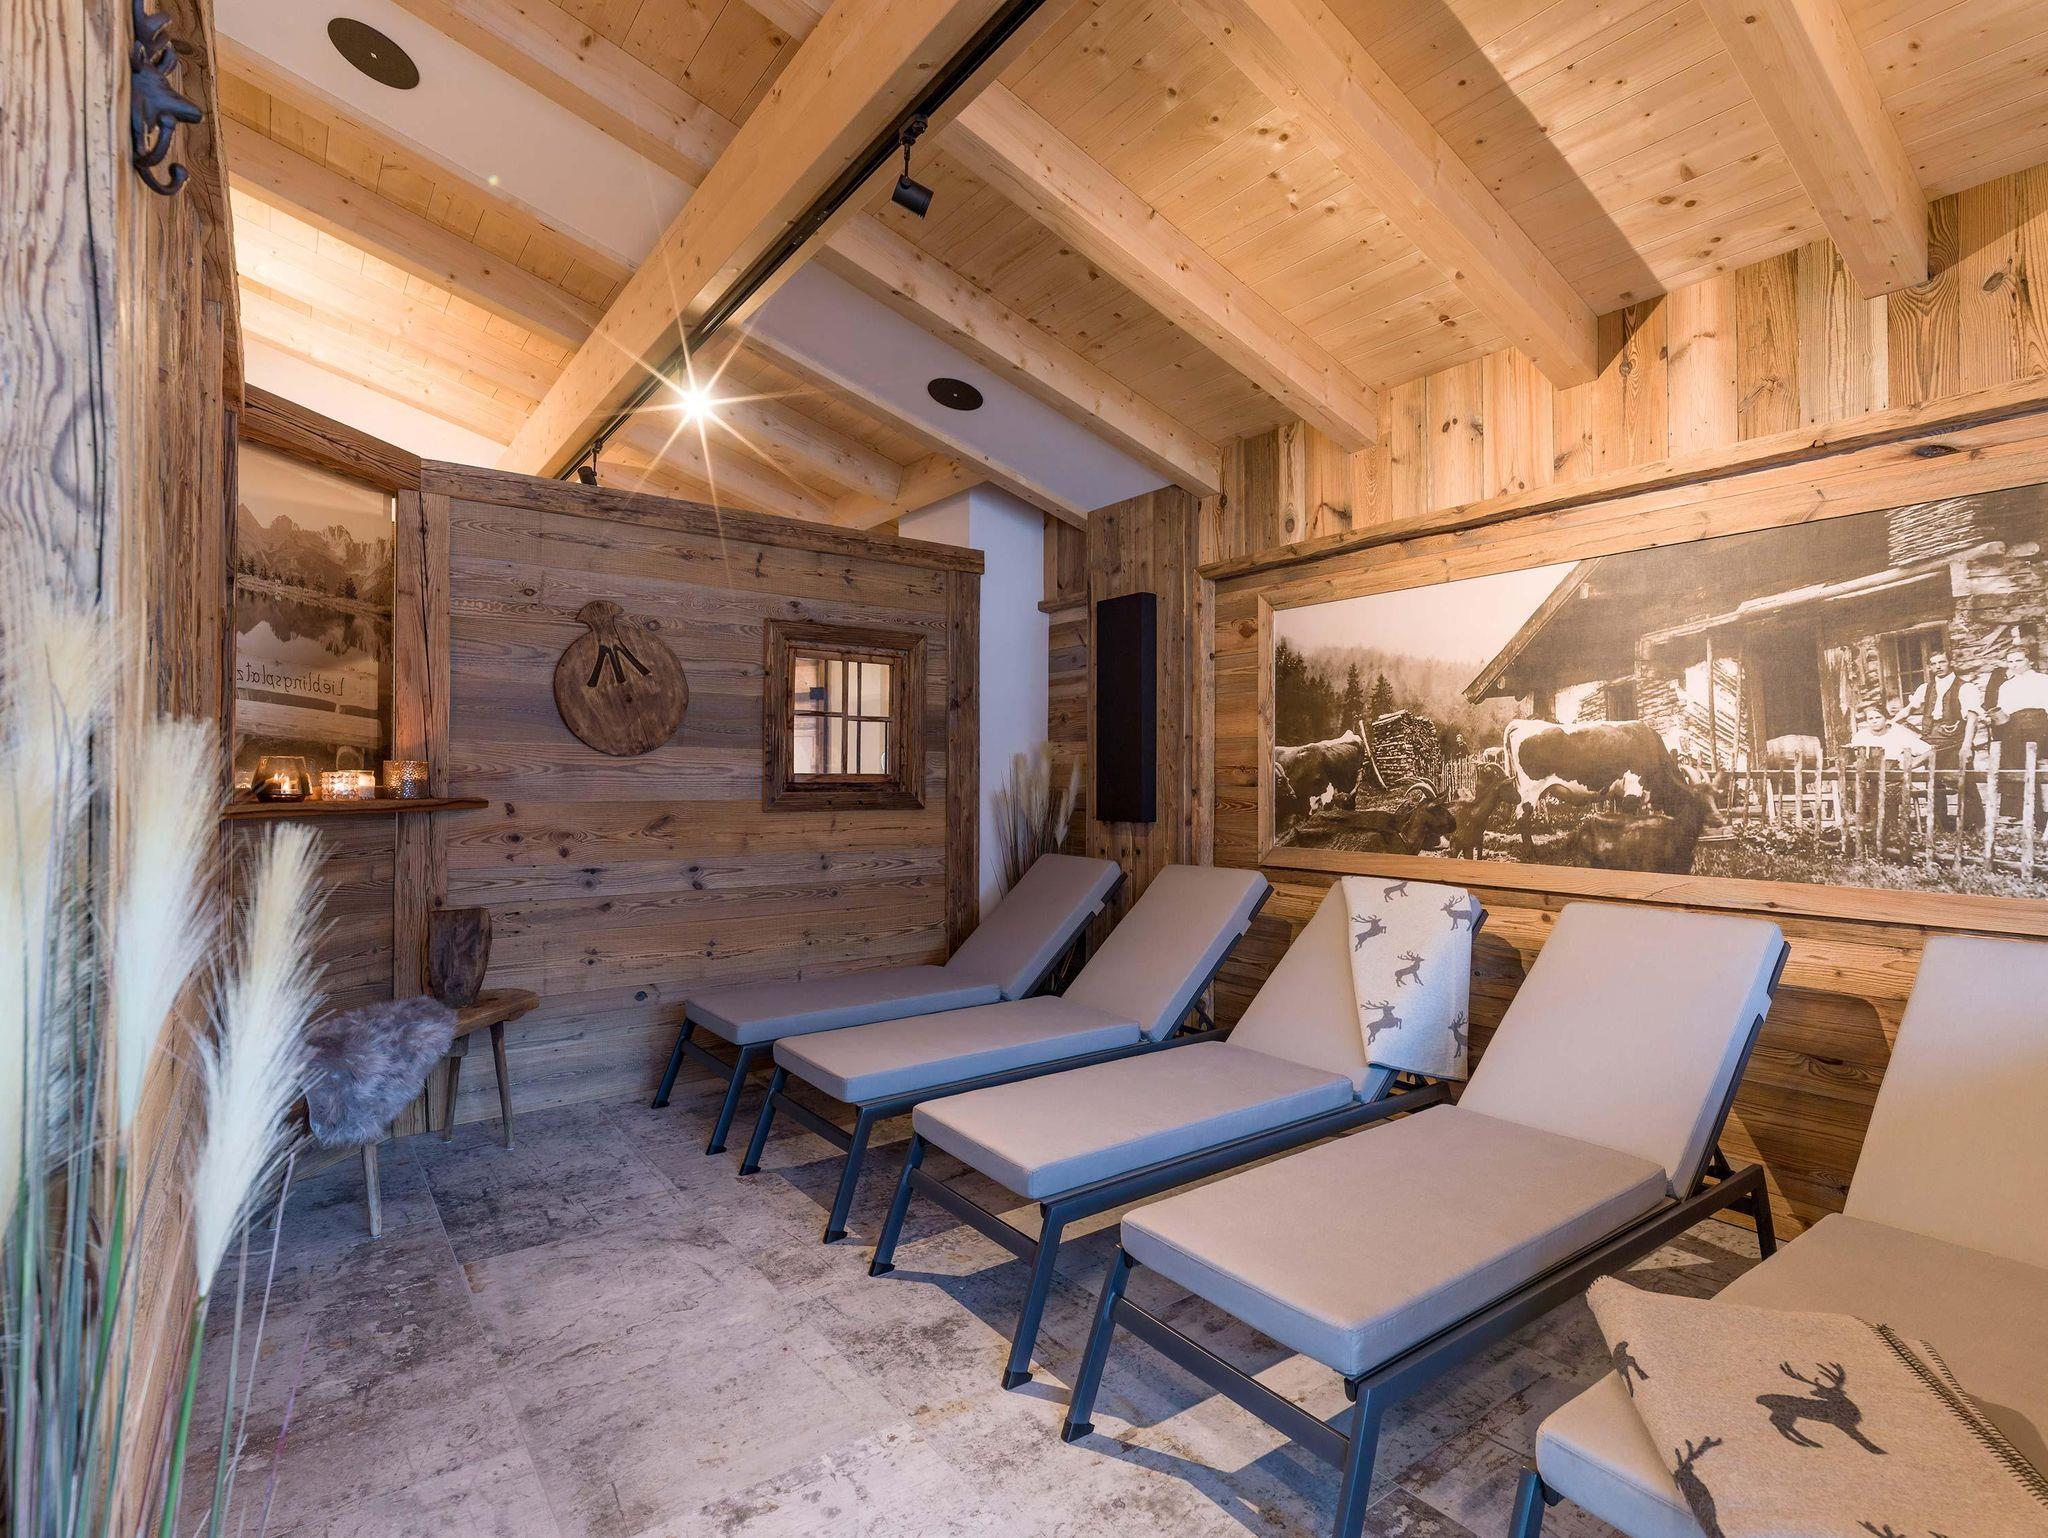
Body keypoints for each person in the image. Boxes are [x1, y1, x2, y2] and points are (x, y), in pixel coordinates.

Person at [1892, 647, 1974, 829]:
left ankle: (1974, 826)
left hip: (1954, 741)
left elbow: (1972, 718)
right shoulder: (1925, 688)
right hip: (1930, 742)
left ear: (1950, 663)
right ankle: (1940, 825)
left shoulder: (1965, 687)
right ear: (1929, 667)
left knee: (1964, 782)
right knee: (1934, 783)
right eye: (1934, 664)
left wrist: (1967, 745)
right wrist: (1892, 722)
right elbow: (1909, 709)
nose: (1938, 666)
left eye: (1942, 662)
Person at [1989, 639, 2048, 819]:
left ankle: (2040, 815)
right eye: (2010, 661)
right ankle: (2021, 812)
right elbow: (2005, 714)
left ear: (2030, 661)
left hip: (2039, 726)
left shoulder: (2043, 680)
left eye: (2019, 660)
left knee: (2033, 765)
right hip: (2013, 728)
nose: (2014, 665)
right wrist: (1993, 717)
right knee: (2013, 764)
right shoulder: (2006, 686)